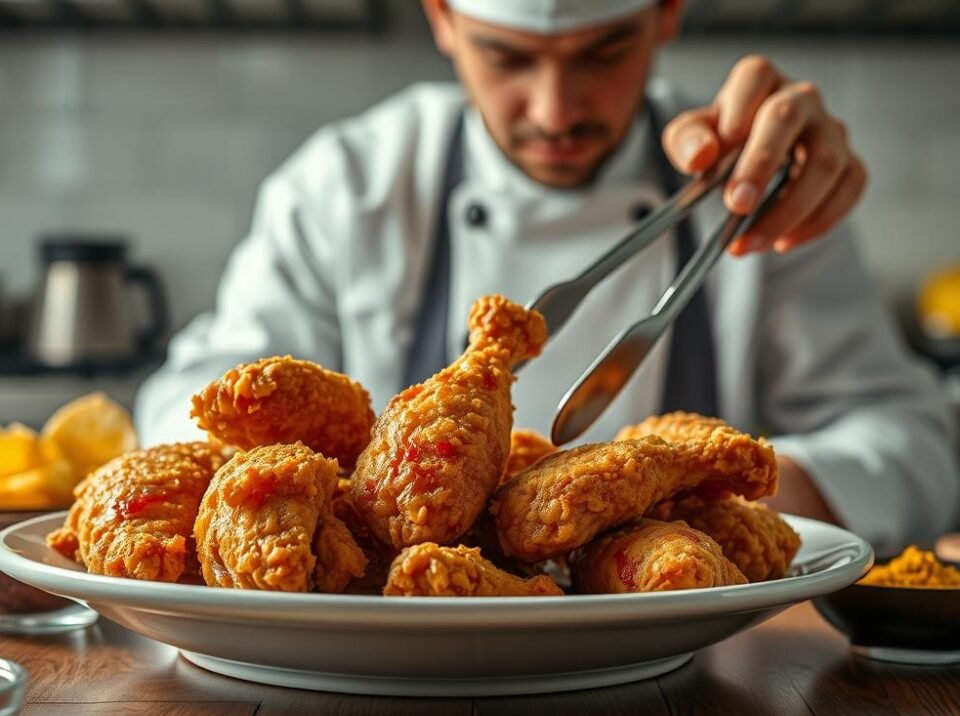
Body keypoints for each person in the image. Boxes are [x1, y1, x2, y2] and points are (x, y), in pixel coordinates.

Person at [136, 0, 959, 553]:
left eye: (604, 51)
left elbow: (916, 447)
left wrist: (687, 499)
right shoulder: (348, 183)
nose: (556, 109)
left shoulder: (758, 181)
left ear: (666, 12)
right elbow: (192, 402)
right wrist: (351, 499)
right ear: (443, 19)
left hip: (705, 674)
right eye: (508, 57)